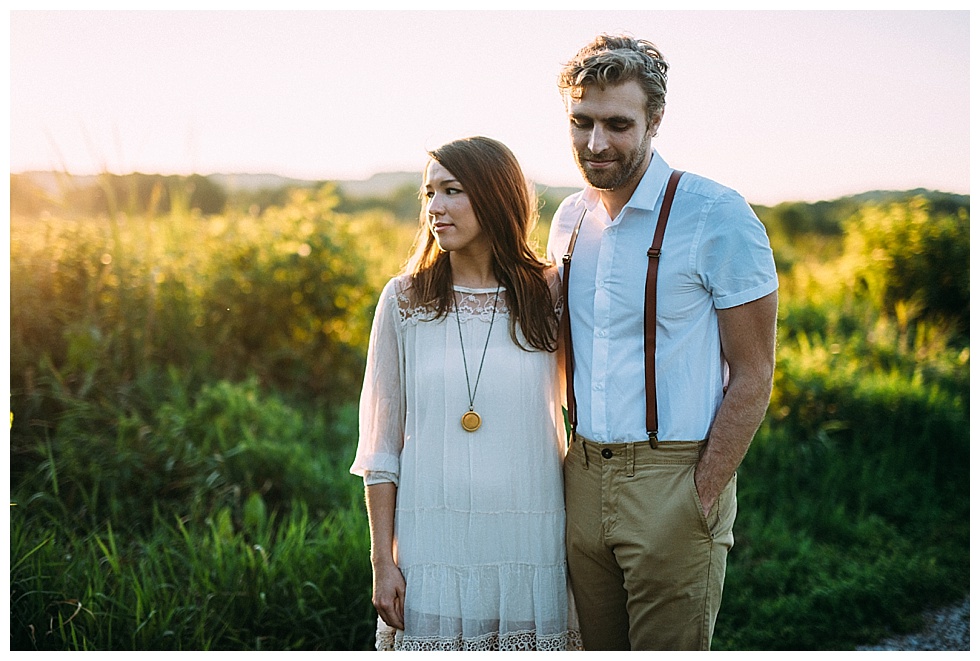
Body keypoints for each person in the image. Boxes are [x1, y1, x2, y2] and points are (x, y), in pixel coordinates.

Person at [546, 34, 779, 651]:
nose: (596, 144)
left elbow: (754, 373)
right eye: (582, 122)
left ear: (655, 119)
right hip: (582, 473)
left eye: (618, 124)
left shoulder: (717, 214)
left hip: (673, 475)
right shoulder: (568, 219)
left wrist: (701, 492)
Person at [350, 136, 580, 651]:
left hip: (532, 534)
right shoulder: (404, 299)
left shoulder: (550, 292)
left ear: (496, 196)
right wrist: (382, 562)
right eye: (428, 193)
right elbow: (381, 448)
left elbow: (587, 403)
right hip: (434, 537)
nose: (435, 208)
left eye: (452, 191)